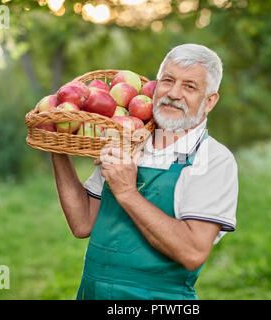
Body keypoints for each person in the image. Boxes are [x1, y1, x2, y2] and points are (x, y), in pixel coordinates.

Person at [51, 44, 239, 300]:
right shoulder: (126, 138)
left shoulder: (213, 160)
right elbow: (83, 223)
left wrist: (127, 191)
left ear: (209, 101)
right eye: (168, 80)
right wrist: (57, 145)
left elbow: (192, 252)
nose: (173, 93)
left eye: (189, 86)